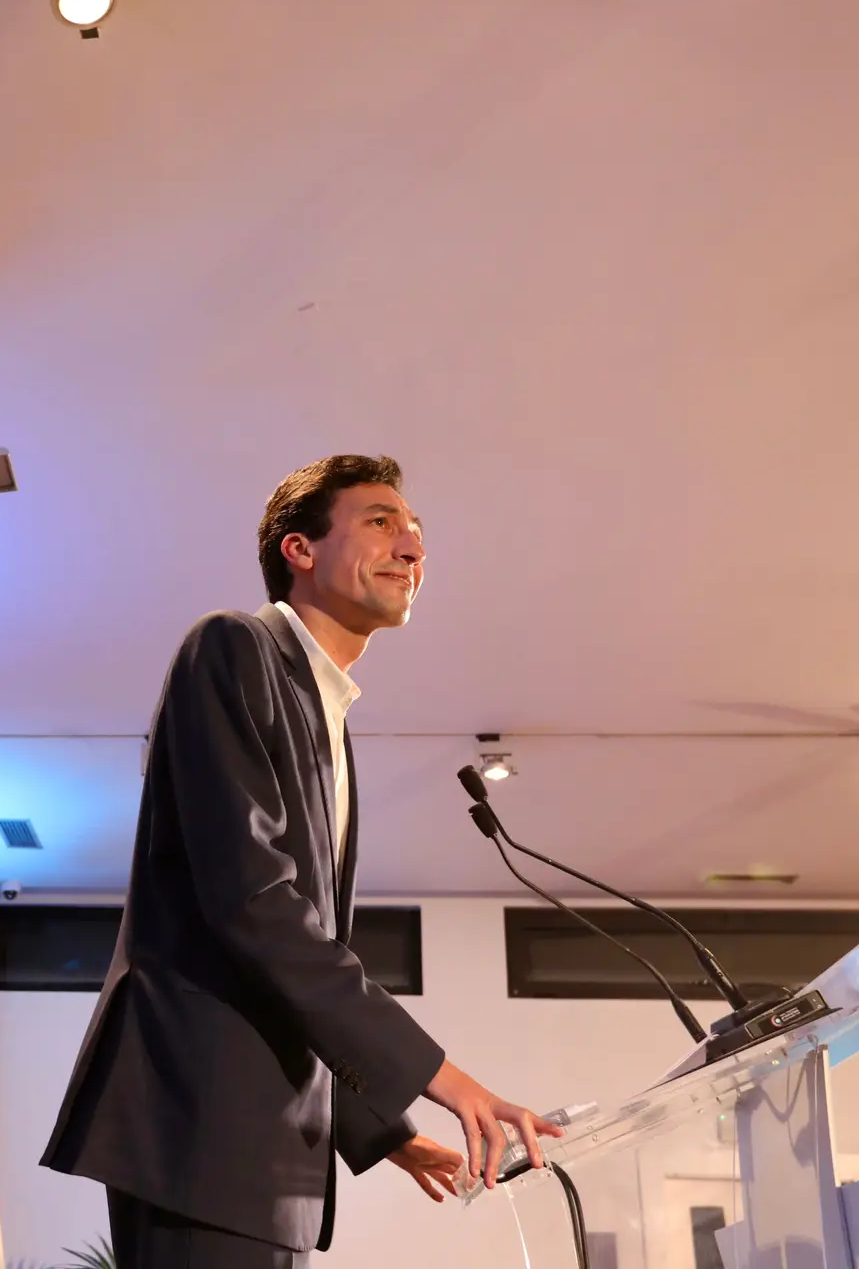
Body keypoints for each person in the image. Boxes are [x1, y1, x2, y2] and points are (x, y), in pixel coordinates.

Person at [40, 454, 563, 1267]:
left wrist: (381, 1130)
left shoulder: (329, 718)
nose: (413, 547)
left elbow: (294, 959)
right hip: (198, 1123)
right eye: (382, 522)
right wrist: (442, 1077)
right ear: (300, 549)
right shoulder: (232, 647)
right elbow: (253, 904)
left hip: (264, 1152)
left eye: (416, 531)